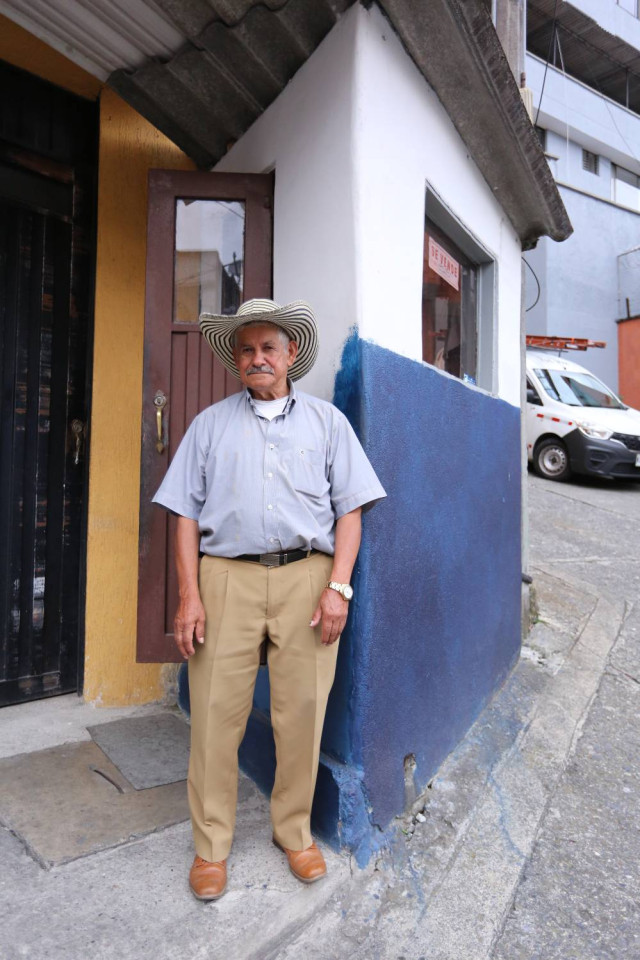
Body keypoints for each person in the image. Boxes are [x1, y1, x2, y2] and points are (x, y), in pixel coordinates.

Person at [152, 298, 386, 900]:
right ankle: (211, 848)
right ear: (237, 360)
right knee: (213, 713)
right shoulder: (209, 425)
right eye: (248, 349)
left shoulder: (328, 424)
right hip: (224, 577)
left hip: (307, 580)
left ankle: (295, 833)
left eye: (269, 348)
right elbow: (182, 514)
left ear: (290, 357)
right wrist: (188, 596)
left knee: (302, 713)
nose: (258, 358)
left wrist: (338, 587)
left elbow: (350, 511)